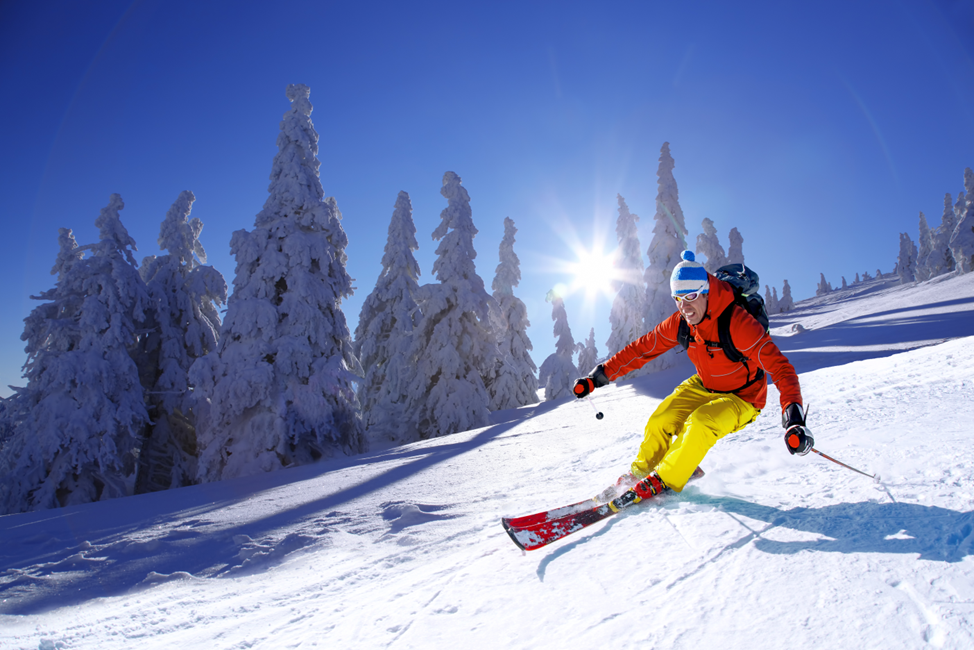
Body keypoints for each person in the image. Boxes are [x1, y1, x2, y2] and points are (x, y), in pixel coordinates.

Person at [573, 250, 812, 505]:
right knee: (661, 419)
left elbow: (781, 368)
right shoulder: (681, 322)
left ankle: (665, 479)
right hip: (705, 385)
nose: (685, 307)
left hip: (743, 396)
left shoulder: (737, 323)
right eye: (678, 299)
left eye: (691, 297)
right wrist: (599, 376)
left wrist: (793, 417)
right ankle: (639, 475)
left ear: (707, 291)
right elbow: (642, 349)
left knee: (700, 422)